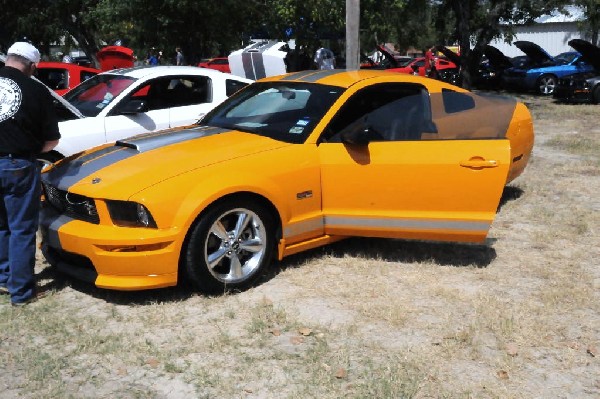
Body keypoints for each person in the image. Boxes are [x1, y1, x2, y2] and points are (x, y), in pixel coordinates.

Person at [0, 42, 60, 306]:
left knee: (1, 226)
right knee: (22, 229)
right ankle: (21, 292)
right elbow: (52, 141)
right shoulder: (36, 90)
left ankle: (3, 278)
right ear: (32, 66)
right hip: (18, 165)